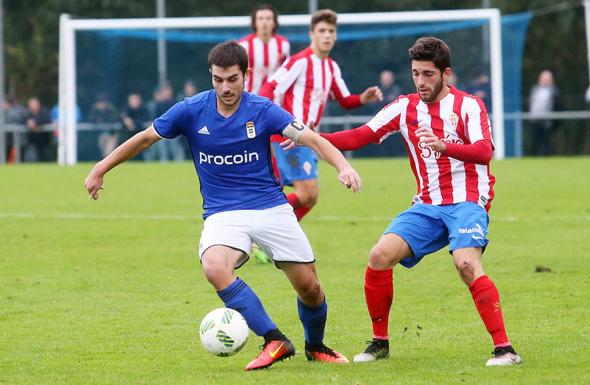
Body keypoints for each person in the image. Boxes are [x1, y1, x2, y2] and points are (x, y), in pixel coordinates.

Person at [84, 41, 362, 371]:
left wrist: (342, 166)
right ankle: (274, 340)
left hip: (270, 207)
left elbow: (312, 139)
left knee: (311, 289)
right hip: (222, 213)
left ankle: (316, 346)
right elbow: (145, 138)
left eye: (232, 79)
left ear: (247, 74)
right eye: (218, 80)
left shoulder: (263, 110)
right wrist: (101, 167)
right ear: (210, 76)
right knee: (215, 267)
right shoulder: (190, 110)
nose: (225, 87)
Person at [287, 37, 522, 366]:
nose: (421, 81)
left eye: (428, 74)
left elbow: (485, 151)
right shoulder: (405, 107)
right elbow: (361, 135)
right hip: (426, 206)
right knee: (379, 256)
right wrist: (309, 139)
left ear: (446, 74)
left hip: (468, 201)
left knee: (466, 265)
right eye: (416, 74)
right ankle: (379, 343)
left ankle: (505, 350)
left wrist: (444, 146)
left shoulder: (469, 106)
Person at [260, 9, 382, 222]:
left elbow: (344, 100)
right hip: (288, 136)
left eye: (331, 31)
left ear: (335, 35)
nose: (327, 35)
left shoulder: (331, 67)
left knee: (310, 197)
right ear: (312, 34)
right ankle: (263, 226)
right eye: (322, 30)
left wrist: (363, 98)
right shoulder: (299, 61)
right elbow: (269, 88)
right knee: (307, 192)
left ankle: (270, 238)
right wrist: (274, 121)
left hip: (307, 140)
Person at [239, 4, 290, 95]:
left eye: (268, 18)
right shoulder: (244, 45)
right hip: (250, 97)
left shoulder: (283, 44)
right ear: (254, 22)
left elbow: (286, 71)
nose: (264, 22)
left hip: (275, 99)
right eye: (261, 18)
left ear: (274, 22)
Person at [528, 70, 558, 156]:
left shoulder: (554, 91)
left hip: (547, 121)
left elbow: (557, 105)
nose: (545, 80)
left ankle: (547, 158)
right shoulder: (534, 90)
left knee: (547, 143)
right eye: (543, 78)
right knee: (534, 142)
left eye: (547, 78)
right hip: (534, 120)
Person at [89, 93, 119, 158]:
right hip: (102, 134)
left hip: (112, 134)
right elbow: (91, 120)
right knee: (104, 154)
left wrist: (102, 120)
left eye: (103, 103)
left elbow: (113, 120)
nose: (101, 105)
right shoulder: (95, 109)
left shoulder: (111, 109)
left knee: (108, 153)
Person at [24, 97, 53, 162]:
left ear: (38, 104)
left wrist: (36, 123)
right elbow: (24, 122)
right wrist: (30, 124)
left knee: (47, 162)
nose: (31, 106)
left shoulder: (44, 112)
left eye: (33, 104)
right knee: (32, 160)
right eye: (30, 105)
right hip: (33, 142)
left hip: (44, 142)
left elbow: (47, 120)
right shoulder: (28, 114)